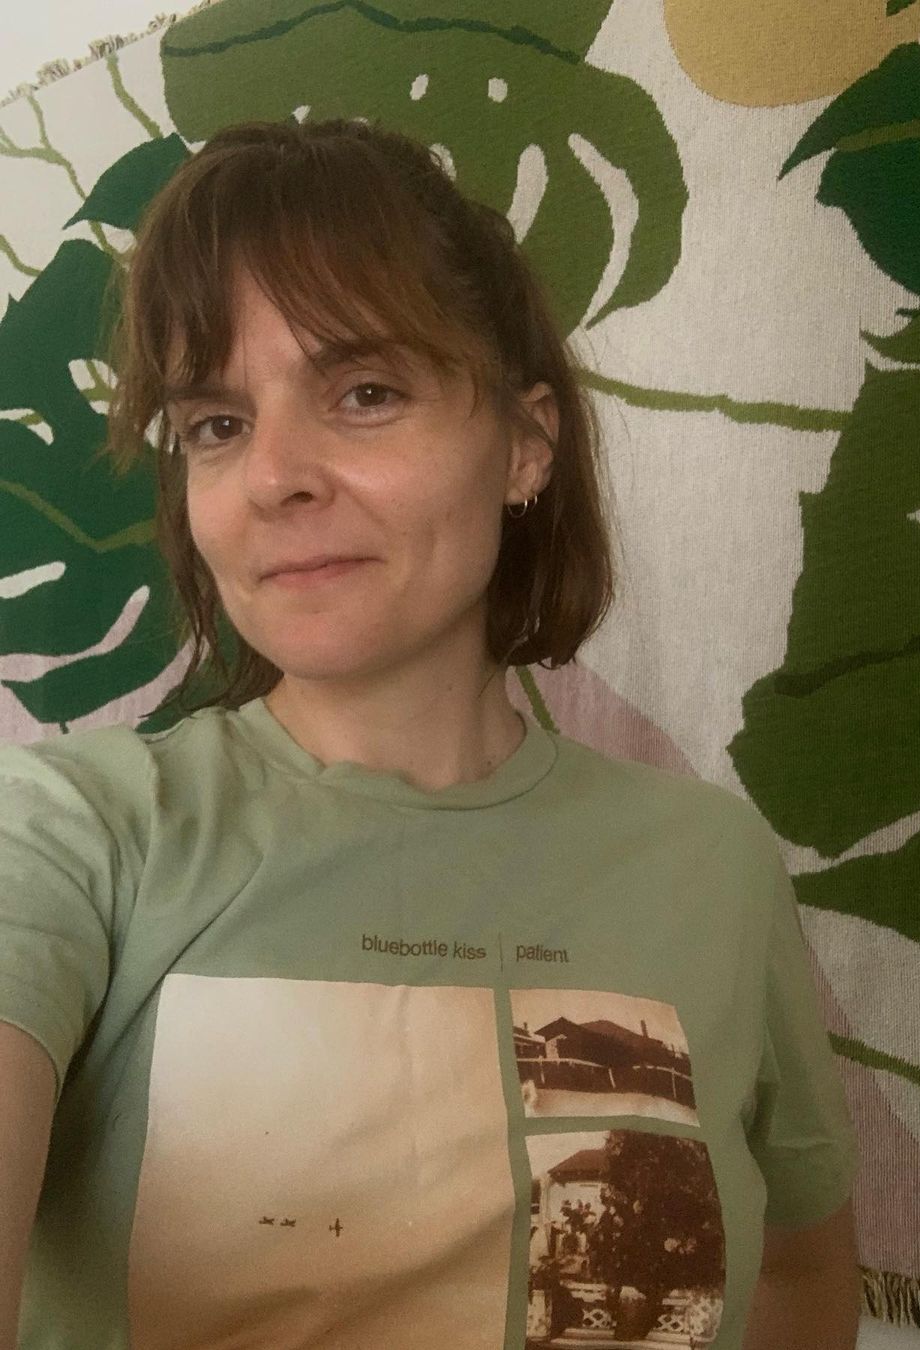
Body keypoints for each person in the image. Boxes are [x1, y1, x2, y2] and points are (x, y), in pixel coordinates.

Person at [0, 118, 862, 1349]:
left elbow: (795, 1278)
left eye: (366, 393)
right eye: (217, 424)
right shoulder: (66, 836)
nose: (275, 477)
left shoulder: (714, 867)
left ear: (524, 445)